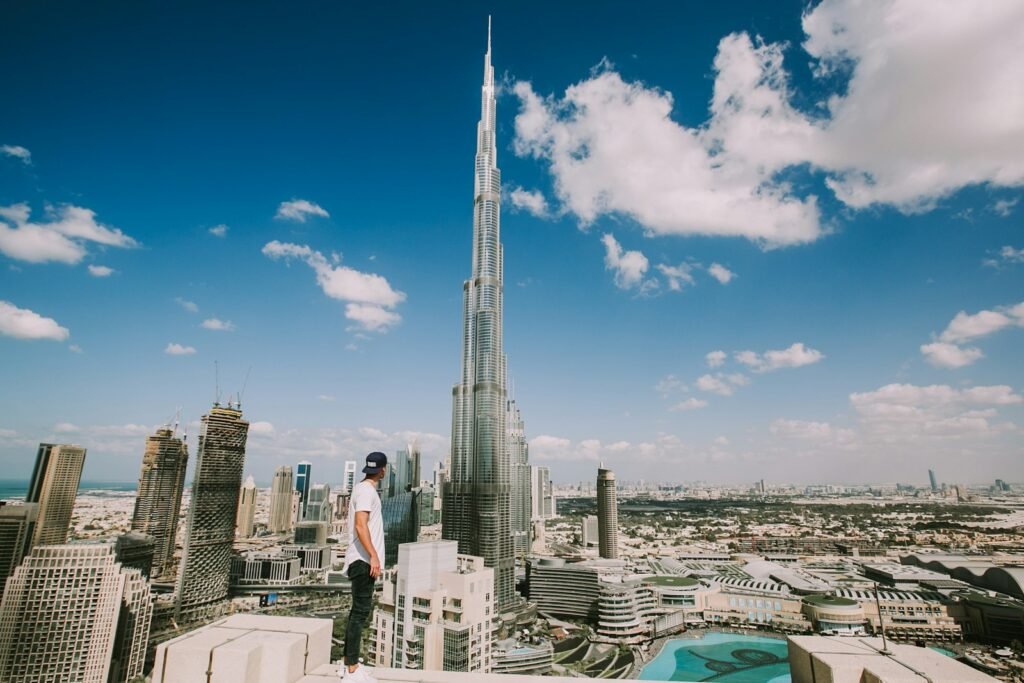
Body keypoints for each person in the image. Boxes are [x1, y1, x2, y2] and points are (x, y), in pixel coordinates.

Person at [339, 451, 387, 682]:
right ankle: (352, 670)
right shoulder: (367, 491)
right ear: (383, 470)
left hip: (360, 559)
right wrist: (374, 556)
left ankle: (349, 663)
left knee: (356, 613)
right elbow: (361, 525)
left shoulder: (361, 488)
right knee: (359, 613)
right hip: (362, 561)